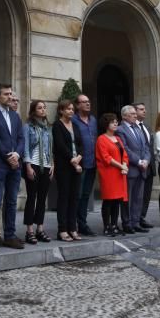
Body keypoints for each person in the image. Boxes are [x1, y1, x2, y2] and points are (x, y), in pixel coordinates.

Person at [0, 83, 25, 252]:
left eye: (11, 94)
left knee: (12, 201)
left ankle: (10, 235)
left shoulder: (15, 116)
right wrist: (9, 155)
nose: (10, 96)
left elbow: (21, 138)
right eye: (6, 94)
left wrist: (17, 155)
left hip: (15, 165)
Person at [52, 99, 83, 241]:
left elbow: (80, 143)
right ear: (61, 111)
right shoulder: (57, 125)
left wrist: (79, 157)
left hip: (76, 165)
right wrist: (72, 159)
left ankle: (73, 228)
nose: (71, 111)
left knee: (75, 197)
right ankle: (62, 230)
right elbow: (60, 145)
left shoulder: (75, 125)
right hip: (64, 166)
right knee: (64, 197)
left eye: (72, 109)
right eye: (68, 109)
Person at [23, 100, 53, 244]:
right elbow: (26, 147)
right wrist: (28, 166)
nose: (43, 110)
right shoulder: (28, 126)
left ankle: (40, 229)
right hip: (33, 165)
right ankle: (29, 231)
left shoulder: (47, 128)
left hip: (46, 166)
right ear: (33, 111)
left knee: (42, 199)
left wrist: (52, 164)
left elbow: (50, 148)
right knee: (31, 198)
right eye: (39, 108)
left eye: (44, 108)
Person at [117, 105, 150, 234]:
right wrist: (139, 161)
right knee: (128, 198)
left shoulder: (138, 128)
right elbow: (125, 149)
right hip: (131, 168)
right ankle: (127, 223)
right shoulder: (120, 129)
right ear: (124, 116)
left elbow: (146, 147)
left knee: (138, 198)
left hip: (142, 168)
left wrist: (146, 160)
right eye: (132, 114)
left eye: (135, 113)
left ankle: (136, 222)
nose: (135, 115)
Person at [95, 113, 129, 236]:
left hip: (120, 173)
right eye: (112, 122)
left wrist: (125, 165)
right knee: (108, 200)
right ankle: (106, 226)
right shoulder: (101, 139)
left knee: (117, 200)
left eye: (116, 121)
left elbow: (124, 154)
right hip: (109, 173)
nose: (115, 123)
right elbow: (106, 158)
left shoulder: (118, 139)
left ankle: (114, 225)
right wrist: (121, 166)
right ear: (106, 124)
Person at [73, 94, 98, 236]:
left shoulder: (93, 120)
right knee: (77, 194)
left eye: (88, 101)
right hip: (80, 164)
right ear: (77, 105)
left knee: (86, 195)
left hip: (92, 163)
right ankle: (73, 224)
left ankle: (82, 224)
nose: (88, 104)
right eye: (84, 102)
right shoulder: (74, 120)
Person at [134, 102, 155, 229]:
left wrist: (150, 162)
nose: (144, 111)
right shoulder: (131, 126)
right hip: (138, 165)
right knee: (137, 194)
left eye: (144, 109)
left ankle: (142, 217)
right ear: (134, 112)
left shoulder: (146, 126)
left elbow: (149, 146)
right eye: (141, 109)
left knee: (146, 193)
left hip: (150, 165)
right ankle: (134, 218)